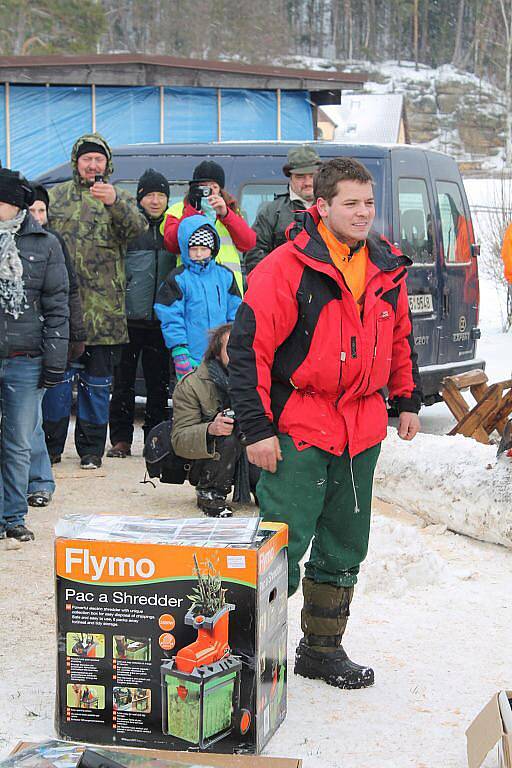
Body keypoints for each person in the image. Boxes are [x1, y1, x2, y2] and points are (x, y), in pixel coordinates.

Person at [228, 157, 422, 689]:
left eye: (369, 203)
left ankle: (320, 650)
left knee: (344, 543)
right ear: (322, 205)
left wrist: (407, 396)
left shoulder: (386, 265)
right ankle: (246, 655)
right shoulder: (285, 267)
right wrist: (257, 429)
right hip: (300, 425)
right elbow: (248, 352)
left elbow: (399, 336)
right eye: (351, 204)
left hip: (360, 427)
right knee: (279, 547)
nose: (363, 214)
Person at [46, 132, 147, 470]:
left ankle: (91, 450)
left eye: (98, 160)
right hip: (61, 312)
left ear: (107, 165)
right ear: (77, 162)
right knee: (58, 384)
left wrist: (115, 201)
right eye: (87, 159)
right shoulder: (56, 197)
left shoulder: (119, 198)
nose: (93, 165)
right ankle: (51, 447)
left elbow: (138, 230)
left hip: (104, 315)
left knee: (97, 386)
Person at [0, 169, 69, 542]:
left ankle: (13, 517)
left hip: (26, 358)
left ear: (14, 204)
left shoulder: (45, 243)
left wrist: (55, 359)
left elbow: (57, 304)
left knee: (18, 441)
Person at [107, 169, 176, 458]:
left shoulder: (173, 228)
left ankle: (154, 439)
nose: (156, 201)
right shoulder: (129, 228)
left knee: (158, 385)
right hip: (128, 318)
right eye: (150, 195)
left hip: (161, 320)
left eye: (161, 195)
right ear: (140, 198)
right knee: (122, 382)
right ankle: (120, 440)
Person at [27, 184, 86, 507]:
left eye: (41, 210)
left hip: (29, 342)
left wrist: (74, 336)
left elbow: (66, 294)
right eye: (32, 210)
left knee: (29, 417)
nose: (37, 217)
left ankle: (39, 480)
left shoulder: (51, 243)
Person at [171, 324, 259, 517]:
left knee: (263, 435)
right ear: (217, 353)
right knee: (228, 436)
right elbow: (179, 439)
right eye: (231, 347)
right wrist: (210, 429)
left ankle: (263, 488)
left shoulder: (260, 379)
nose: (238, 352)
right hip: (208, 460)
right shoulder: (192, 385)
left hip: (249, 452)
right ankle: (210, 492)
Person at [154, 215, 241, 381]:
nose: (199, 254)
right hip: (191, 354)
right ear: (186, 249)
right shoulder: (179, 278)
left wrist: (232, 343)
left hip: (221, 353)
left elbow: (235, 312)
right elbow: (171, 317)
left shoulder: (225, 275)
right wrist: (179, 351)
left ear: (213, 248)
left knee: (219, 399)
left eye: (204, 248)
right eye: (194, 249)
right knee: (191, 400)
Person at [162, 160, 255, 294]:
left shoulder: (230, 211)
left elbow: (248, 243)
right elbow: (172, 244)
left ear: (221, 190)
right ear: (195, 189)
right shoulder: (178, 210)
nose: (209, 192)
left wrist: (226, 214)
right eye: (204, 187)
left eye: (214, 187)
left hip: (228, 289)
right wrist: (194, 210)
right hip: (192, 288)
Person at [244, 144, 322, 274]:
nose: (308, 182)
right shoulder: (271, 212)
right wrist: (278, 278)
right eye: (300, 176)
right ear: (290, 178)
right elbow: (254, 254)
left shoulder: (333, 208)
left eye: (312, 176)